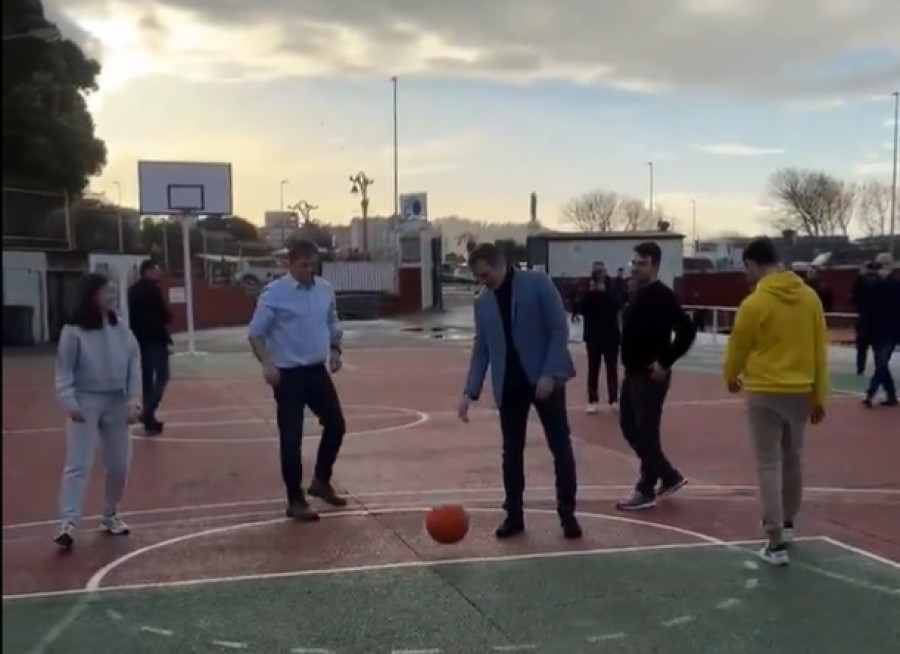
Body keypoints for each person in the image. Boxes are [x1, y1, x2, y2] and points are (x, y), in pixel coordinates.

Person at [459, 243, 582, 539]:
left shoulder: (538, 284)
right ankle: (513, 514)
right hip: (509, 384)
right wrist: (469, 391)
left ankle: (568, 515)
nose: (483, 281)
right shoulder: (483, 301)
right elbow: (482, 347)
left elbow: (558, 329)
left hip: (544, 379)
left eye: (486, 274)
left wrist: (550, 373)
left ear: (501, 264)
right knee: (511, 452)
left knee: (560, 446)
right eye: (478, 277)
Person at [723, 237, 829, 566]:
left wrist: (731, 375)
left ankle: (774, 540)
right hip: (800, 389)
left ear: (753, 264)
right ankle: (787, 522)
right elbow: (819, 348)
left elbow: (738, 346)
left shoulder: (755, 303)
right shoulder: (810, 298)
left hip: (765, 389)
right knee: (792, 458)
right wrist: (819, 395)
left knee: (768, 463)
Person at [248, 239, 347, 522]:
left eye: (313, 265)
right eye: (304, 265)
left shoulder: (324, 290)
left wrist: (335, 349)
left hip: (317, 370)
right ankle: (295, 499)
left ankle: (321, 480)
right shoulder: (275, 294)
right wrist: (267, 363)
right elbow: (256, 333)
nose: (309, 270)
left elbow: (332, 321)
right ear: (290, 264)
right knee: (291, 438)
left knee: (337, 424)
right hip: (288, 374)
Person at [54, 273, 142, 550]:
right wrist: (70, 402)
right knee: (78, 464)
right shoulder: (73, 331)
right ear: (91, 295)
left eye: (113, 291)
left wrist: (134, 400)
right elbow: (64, 371)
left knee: (119, 464)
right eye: (107, 291)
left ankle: (110, 514)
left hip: (117, 401)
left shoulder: (121, 328)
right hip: (85, 401)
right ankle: (68, 522)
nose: (112, 295)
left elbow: (133, 364)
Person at [616, 242, 696, 511]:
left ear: (656, 266)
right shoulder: (636, 293)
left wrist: (665, 361)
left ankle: (647, 487)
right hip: (632, 372)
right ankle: (667, 476)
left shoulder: (662, 295)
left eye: (642, 264)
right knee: (629, 427)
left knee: (645, 431)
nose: (636, 268)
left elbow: (686, 331)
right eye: (634, 263)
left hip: (649, 376)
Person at [127, 259, 172, 435]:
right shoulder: (152, 289)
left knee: (146, 377)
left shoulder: (132, 291)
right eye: (156, 270)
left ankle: (149, 416)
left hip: (139, 339)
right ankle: (148, 412)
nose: (158, 273)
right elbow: (161, 314)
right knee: (162, 375)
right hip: (155, 338)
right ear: (148, 271)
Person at [571, 275, 621, 412]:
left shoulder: (611, 296)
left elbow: (617, 305)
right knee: (593, 369)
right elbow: (579, 307)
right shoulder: (588, 298)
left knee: (612, 369)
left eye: (598, 284)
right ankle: (592, 400)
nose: (596, 286)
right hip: (593, 338)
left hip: (611, 338)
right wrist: (590, 293)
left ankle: (614, 399)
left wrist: (604, 292)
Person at [862, 253, 899, 408]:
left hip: (890, 331)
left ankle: (871, 393)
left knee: (882, 363)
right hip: (877, 331)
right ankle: (891, 395)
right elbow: (864, 306)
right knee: (881, 364)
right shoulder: (871, 284)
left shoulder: (896, 285)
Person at [851, 261, 880, 375]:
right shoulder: (873, 283)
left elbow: (853, 298)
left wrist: (860, 276)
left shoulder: (862, 284)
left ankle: (861, 368)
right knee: (873, 349)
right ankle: (876, 368)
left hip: (867, 321)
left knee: (863, 349)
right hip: (872, 322)